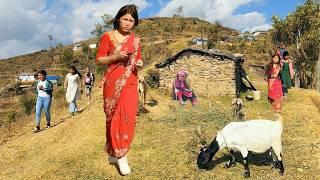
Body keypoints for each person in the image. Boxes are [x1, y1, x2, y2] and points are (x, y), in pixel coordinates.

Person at [95, 4, 142, 176]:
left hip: (130, 82)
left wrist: (139, 63)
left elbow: (139, 59)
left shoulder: (136, 40)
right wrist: (115, 57)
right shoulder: (107, 36)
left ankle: (119, 154)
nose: (128, 23)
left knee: (127, 118)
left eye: (132, 20)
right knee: (112, 118)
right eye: (125, 19)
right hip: (112, 82)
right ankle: (116, 154)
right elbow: (99, 59)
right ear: (118, 19)